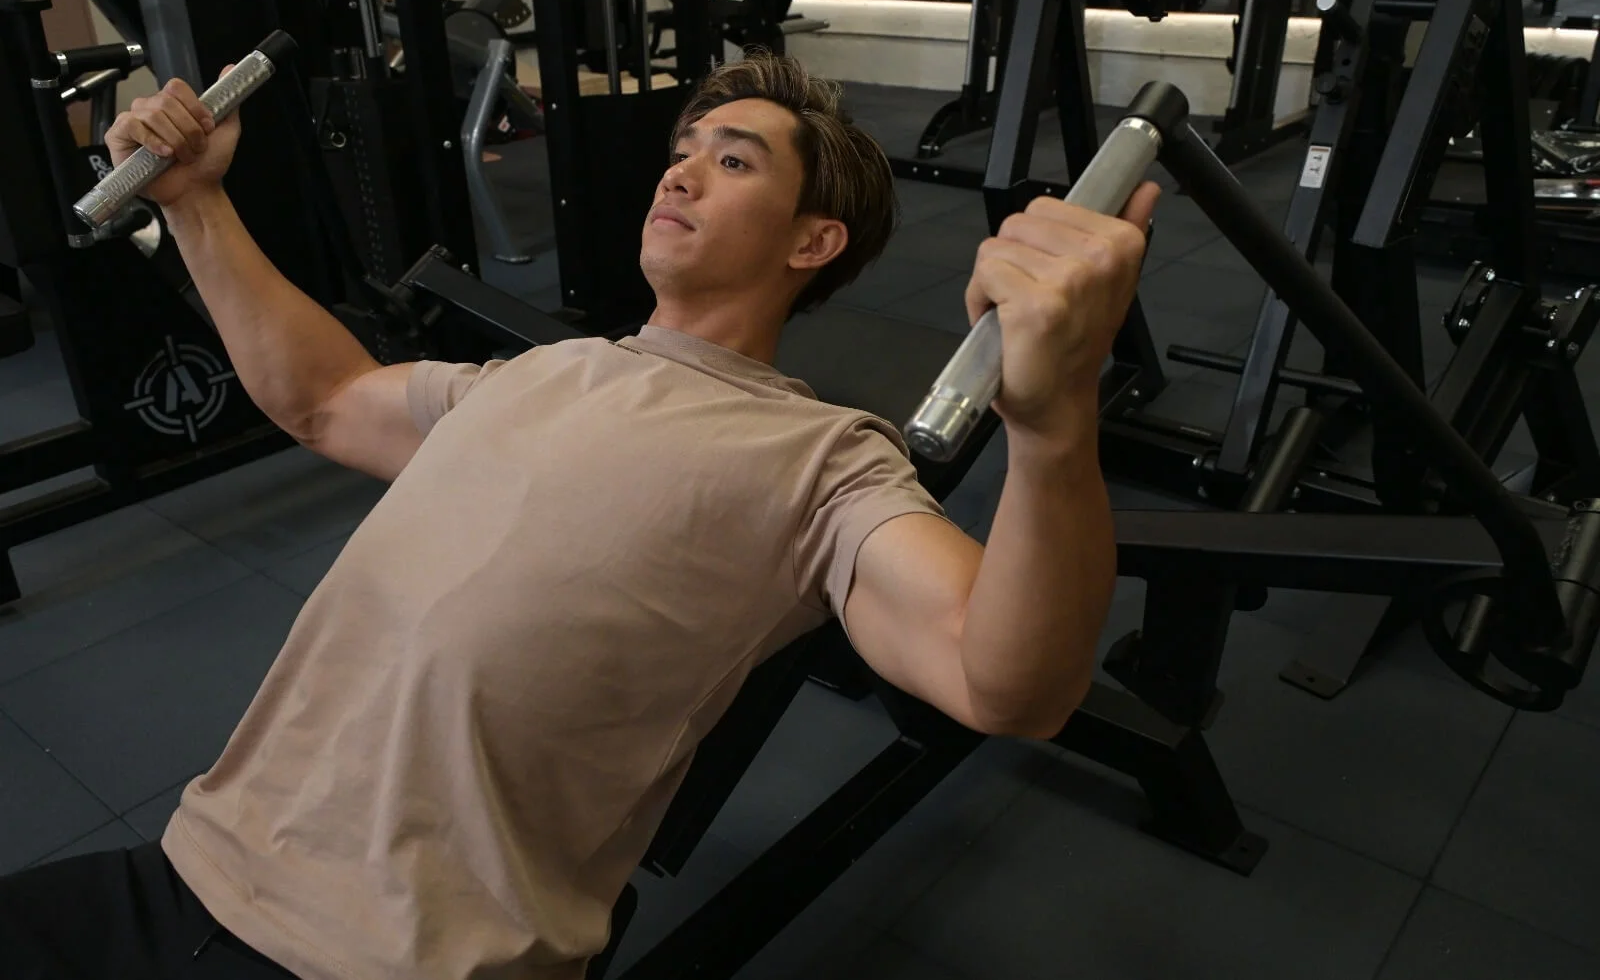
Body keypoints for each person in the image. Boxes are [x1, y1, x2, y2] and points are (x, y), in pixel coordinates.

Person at [0, 51, 1158, 979]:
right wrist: (196, 200)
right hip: (186, 867)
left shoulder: (824, 459)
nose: (679, 174)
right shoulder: (542, 372)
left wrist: (1054, 422)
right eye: (683, 151)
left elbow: (1004, 681)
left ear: (813, 241)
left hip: (398, 958)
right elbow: (326, 398)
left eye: (733, 160)